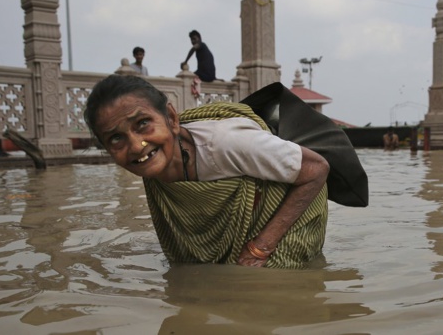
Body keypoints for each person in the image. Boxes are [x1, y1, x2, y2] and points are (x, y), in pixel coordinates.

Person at [84, 75, 330, 269]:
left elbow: (317, 169)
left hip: (292, 205)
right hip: (248, 213)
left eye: (143, 124)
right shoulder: (154, 165)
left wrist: (261, 247)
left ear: (171, 118)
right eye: (116, 138)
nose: (137, 146)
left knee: (256, 286)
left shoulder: (227, 143)